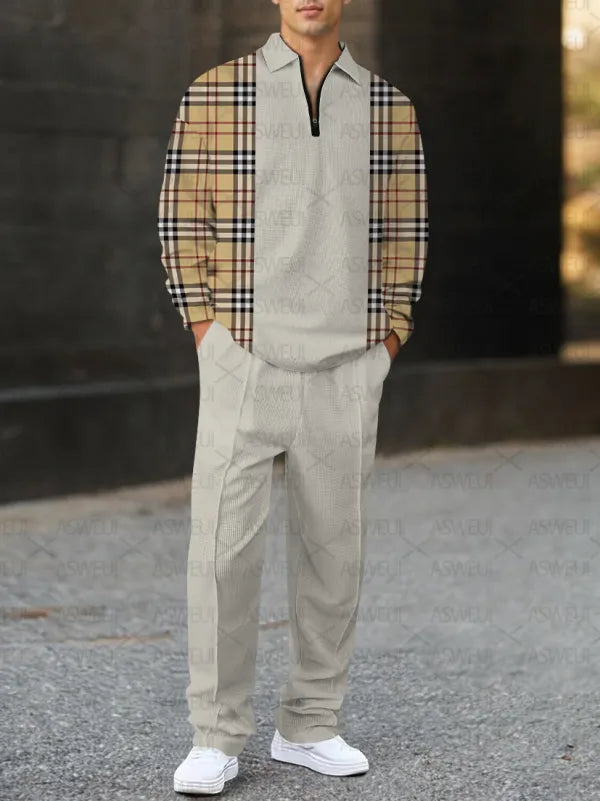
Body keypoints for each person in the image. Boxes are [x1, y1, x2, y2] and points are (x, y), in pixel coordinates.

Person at [157, 0, 428, 793]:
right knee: (221, 552)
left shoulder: (389, 107)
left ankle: (310, 724)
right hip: (243, 353)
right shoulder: (216, 92)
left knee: (334, 553)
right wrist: (208, 334)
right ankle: (215, 735)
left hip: (347, 362)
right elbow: (181, 220)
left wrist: (385, 342)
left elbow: (405, 235)